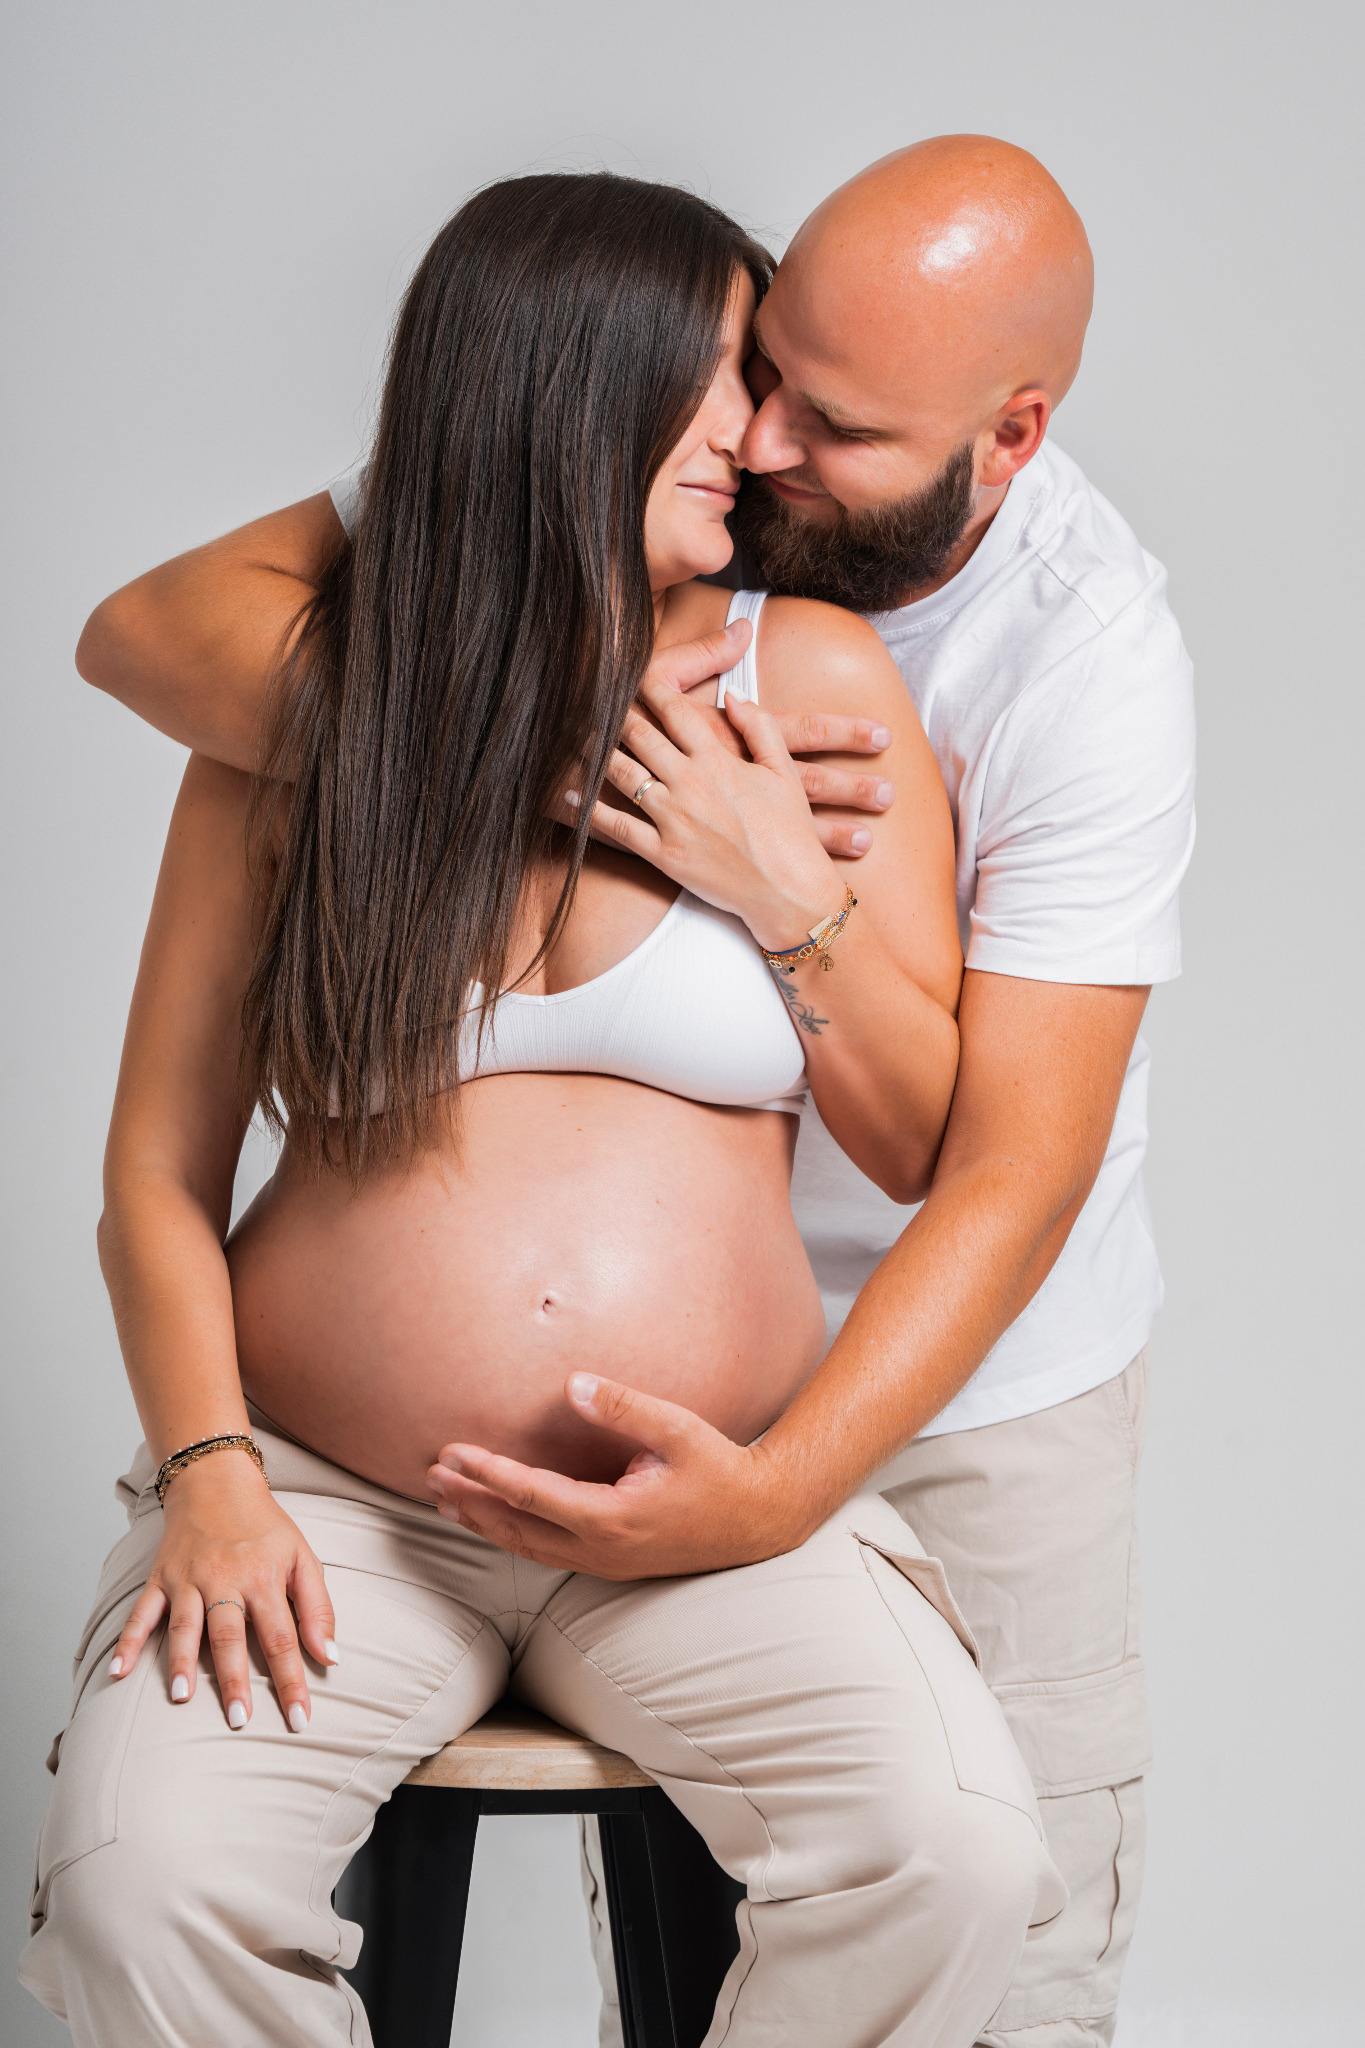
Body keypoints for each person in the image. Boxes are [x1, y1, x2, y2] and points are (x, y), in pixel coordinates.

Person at [73, 137, 1196, 2047]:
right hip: (344, 1490)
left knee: (980, 1889)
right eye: (746, 379)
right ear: (562, 410)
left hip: (899, 1394)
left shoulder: (1032, 659)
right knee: (140, 1887)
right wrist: (212, 1473)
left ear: (1003, 437)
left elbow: (989, 1167)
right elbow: (136, 650)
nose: (761, 444)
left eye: (819, 417)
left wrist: (782, 890)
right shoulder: (332, 681)